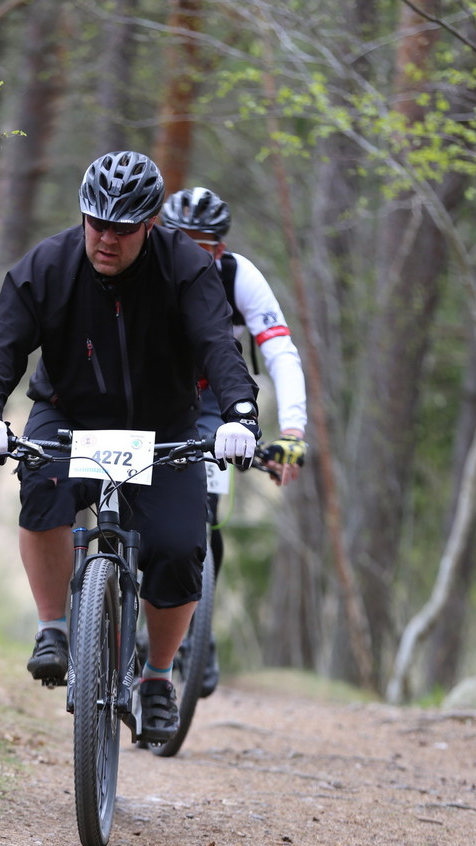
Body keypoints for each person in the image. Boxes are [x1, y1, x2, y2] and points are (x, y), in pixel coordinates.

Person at [0, 150, 261, 743]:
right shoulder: (47, 266)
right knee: (42, 488)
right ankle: (54, 628)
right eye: (97, 223)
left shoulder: (185, 267)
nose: (107, 239)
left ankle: (157, 677)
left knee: (178, 548)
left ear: (150, 224)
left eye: (123, 228)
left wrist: (241, 417)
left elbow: (218, 348)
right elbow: (1, 349)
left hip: (164, 429)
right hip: (70, 415)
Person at [159, 186, 308, 695]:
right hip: (150, 395)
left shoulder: (238, 276)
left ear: (220, 249)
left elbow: (280, 351)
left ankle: (196, 623)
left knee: (203, 504)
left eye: (201, 245)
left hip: (212, 402)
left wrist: (292, 432)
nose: (188, 252)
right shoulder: (145, 268)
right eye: (178, 239)